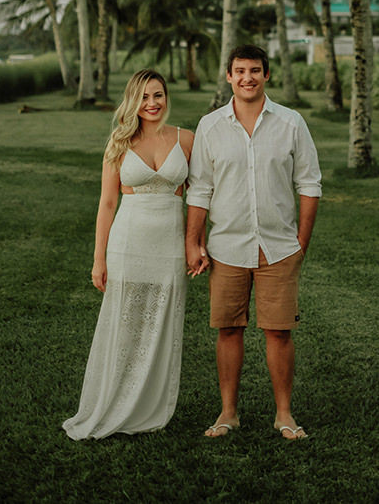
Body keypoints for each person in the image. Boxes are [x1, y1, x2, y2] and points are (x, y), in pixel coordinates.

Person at [186, 45, 321, 442]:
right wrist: (194, 242)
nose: (248, 77)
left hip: (279, 247)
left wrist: (301, 243)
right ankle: (228, 413)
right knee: (229, 329)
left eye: (255, 70)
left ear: (267, 76)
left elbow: (309, 184)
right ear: (228, 76)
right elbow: (199, 190)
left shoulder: (291, 123)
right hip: (227, 246)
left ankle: (284, 414)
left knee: (279, 332)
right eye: (240, 71)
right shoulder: (210, 126)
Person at [63, 69, 195, 440]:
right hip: (128, 241)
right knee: (124, 326)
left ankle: (148, 408)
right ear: (132, 101)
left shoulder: (187, 139)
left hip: (169, 245)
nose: (152, 104)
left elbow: (200, 195)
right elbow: (107, 204)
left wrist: (195, 242)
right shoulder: (118, 142)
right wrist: (98, 259)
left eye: (159, 95)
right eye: (144, 97)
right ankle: (111, 403)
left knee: (161, 327)